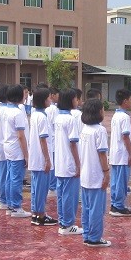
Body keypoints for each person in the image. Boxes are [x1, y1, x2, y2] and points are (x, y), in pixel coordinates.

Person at [79, 99, 111, 247]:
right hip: (96, 174)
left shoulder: (84, 129)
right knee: (97, 209)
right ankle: (95, 237)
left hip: (85, 174)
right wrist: (106, 172)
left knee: (86, 208)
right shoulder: (99, 130)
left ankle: (87, 234)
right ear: (98, 112)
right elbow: (102, 154)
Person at [53, 88, 82, 235]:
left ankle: (63, 222)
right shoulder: (70, 119)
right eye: (76, 99)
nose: (77, 101)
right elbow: (73, 143)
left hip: (59, 162)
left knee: (61, 194)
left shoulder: (58, 118)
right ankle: (68, 224)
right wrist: (78, 164)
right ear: (71, 101)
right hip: (69, 162)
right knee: (70, 195)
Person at [28, 88, 58, 226]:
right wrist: (47, 159)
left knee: (36, 187)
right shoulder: (42, 117)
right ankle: (40, 215)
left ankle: (36, 212)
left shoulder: (35, 114)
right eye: (48, 98)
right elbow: (43, 139)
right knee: (41, 188)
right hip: (40, 157)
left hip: (35, 156)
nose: (50, 100)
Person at [3, 85, 31, 218]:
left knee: (10, 177)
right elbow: (21, 135)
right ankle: (15, 206)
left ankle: (10, 204)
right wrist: (26, 155)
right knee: (16, 179)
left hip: (8, 146)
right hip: (16, 148)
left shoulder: (6, 110)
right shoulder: (18, 113)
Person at [109, 89, 131, 217]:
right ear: (125, 101)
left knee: (115, 180)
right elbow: (125, 137)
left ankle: (115, 203)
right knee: (121, 181)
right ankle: (119, 205)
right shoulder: (124, 117)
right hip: (122, 154)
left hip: (115, 153)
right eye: (130, 99)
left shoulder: (115, 115)